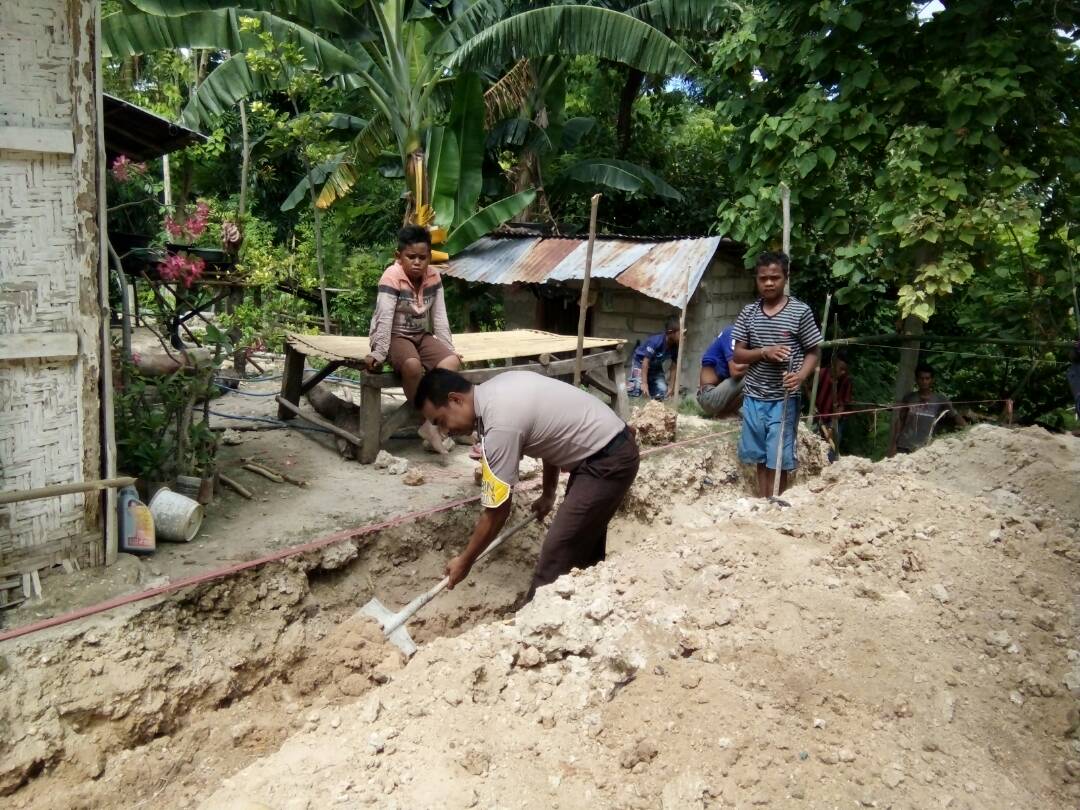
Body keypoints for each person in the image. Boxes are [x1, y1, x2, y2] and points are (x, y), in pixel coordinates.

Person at [414, 368, 639, 601]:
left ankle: (533, 622)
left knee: (557, 552)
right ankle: (588, 605)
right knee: (581, 541)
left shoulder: (499, 424)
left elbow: (497, 512)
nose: (444, 431)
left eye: (441, 421)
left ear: (455, 400)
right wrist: (549, 493)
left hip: (607, 460)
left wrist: (465, 561)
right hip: (605, 449)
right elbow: (549, 437)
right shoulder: (497, 388)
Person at [731, 251, 822, 497]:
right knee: (760, 455)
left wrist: (801, 376)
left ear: (785, 278)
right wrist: (764, 352)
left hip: (784, 399)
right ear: (756, 280)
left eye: (775, 277)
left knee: (778, 455)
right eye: (763, 278)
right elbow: (739, 354)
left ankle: (777, 502)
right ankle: (763, 501)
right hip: (754, 395)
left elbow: (814, 351)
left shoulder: (800, 312)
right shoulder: (749, 313)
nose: (769, 283)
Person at [365, 225, 461, 454]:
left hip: (421, 335)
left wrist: (448, 348)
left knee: (452, 362)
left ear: (430, 257)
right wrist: (378, 353)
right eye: (411, 257)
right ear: (399, 257)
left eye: (422, 257)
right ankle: (428, 423)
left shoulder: (434, 276)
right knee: (412, 366)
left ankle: (434, 424)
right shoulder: (391, 276)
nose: (417, 262)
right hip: (395, 336)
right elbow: (384, 317)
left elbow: (439, 316)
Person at [888, 363, 967, 456]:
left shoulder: (940, 399)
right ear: (916, 380)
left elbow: (956, 417)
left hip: (926, 448)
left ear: (932, 380)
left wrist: (967, 431)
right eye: (921, 378)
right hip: (904, 445)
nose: (924, 381)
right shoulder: (909, 398)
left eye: (927, 378)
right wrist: (893, 445)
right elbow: (900, 421)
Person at [697, 324, 747, 417]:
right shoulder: (733, 333)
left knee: (756, 374)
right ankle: (724, 413)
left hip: (720, 395)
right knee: (753, 375)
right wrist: (758, 359)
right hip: (708, 396)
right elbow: (735, 372)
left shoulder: (746, 340)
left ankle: (726, 412)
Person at [628, 317, 680, 400]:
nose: (684, 336)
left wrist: (671, 386)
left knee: (662, 393)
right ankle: (638, 386)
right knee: (636, 392)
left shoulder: (676, 347)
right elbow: (645, 362)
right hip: (640, 363)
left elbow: (674, 367)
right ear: (671, 333)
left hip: (656, 366)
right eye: (680, 333)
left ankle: (652, 391)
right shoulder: (656, 341)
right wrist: (644, 383)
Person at [815, 351, 854, 459]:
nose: (842, 372)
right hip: (818, 415)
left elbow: (843, 405)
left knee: (831, 448)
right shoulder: (821, 373)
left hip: (836, 420)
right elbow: (809, 389)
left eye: (845, 370)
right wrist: (814, 408)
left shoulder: (846, 381)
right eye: (841, 369)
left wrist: (832, 427)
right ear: (833, 364)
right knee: (814, 444)